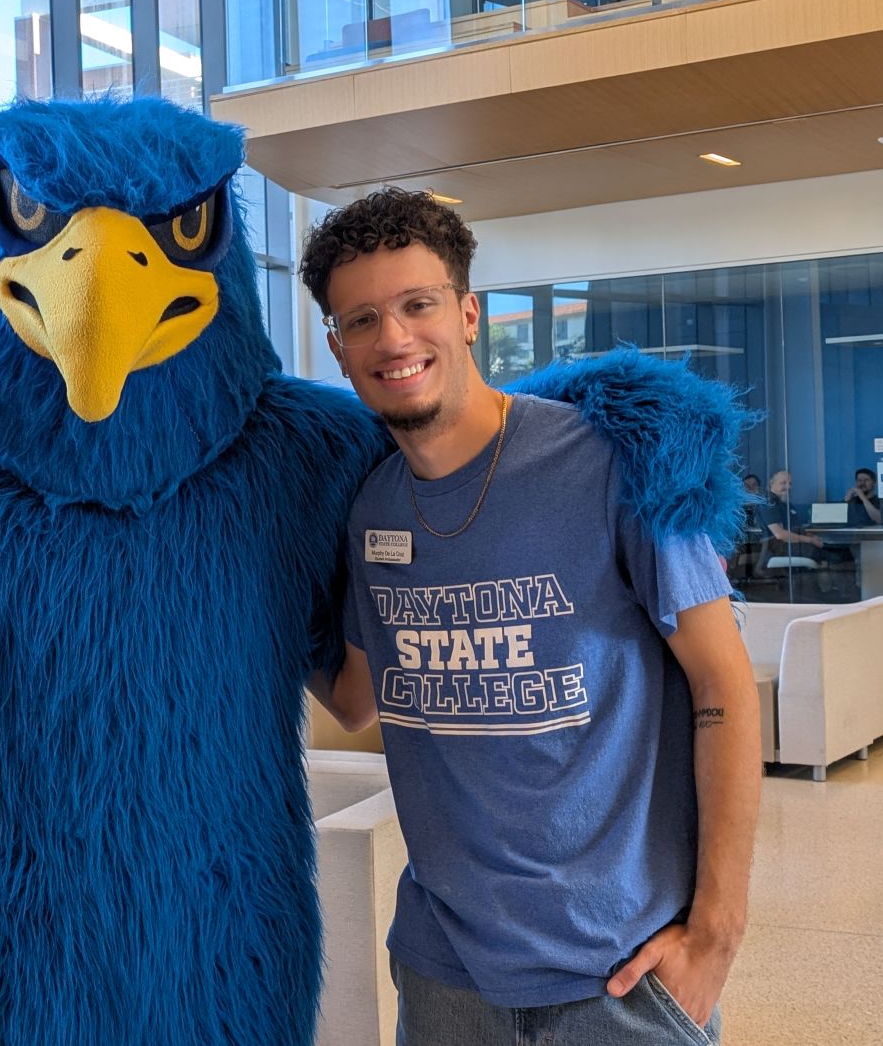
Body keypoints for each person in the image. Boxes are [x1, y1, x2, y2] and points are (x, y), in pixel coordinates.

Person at [300, 188, 760, 1045]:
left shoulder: (608, 462)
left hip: (616, 970)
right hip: (445, 973)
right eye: (360, 319)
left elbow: (721, 679)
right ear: (335, 344)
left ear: (468, 313)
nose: (393, 338)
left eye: (417, 304)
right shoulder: (373, 511)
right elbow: (359, 698)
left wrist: (715, 933)